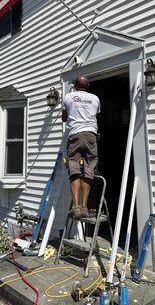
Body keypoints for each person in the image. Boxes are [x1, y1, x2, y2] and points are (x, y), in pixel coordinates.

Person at [62, 76, 100, 219]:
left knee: (74, 168)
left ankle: (76, 207)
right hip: (91, 134)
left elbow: (64, 118)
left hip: (75, 135)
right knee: (89, 168)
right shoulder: (95, 98)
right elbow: (94, 114)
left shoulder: (68, 96)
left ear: (75, 85)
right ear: (88, 85)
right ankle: (85, 207)